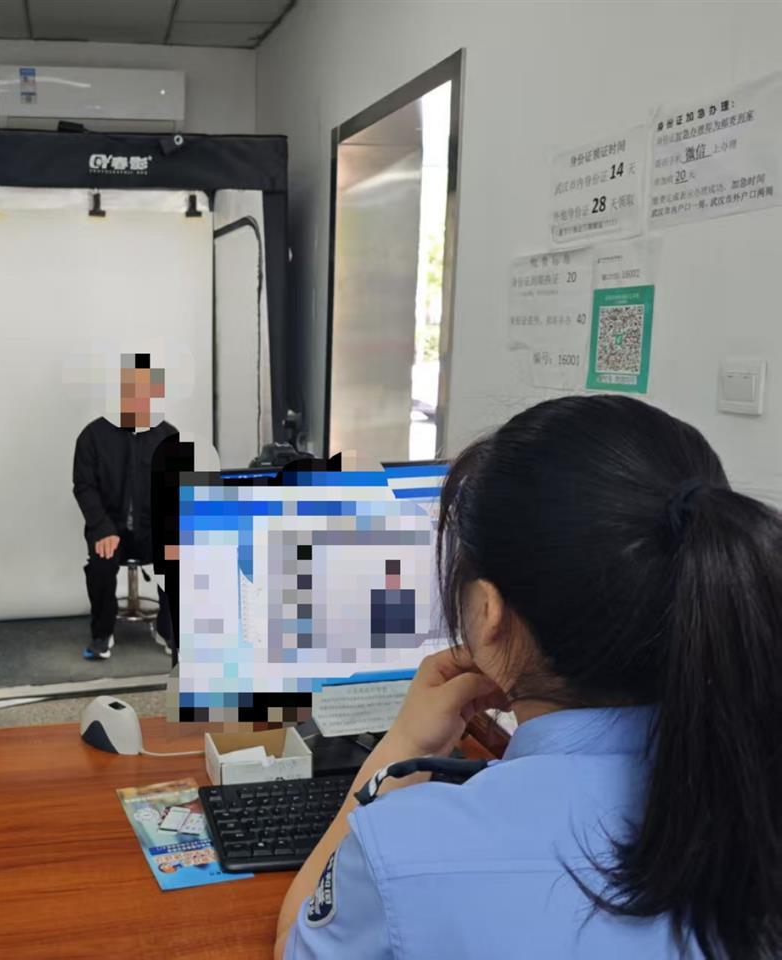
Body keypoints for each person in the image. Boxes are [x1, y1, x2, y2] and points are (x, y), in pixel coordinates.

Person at [276, 394, 781, 960]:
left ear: (488, 613)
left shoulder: (401, 850)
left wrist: (405, 746)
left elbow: (296, 943)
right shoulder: (754, 796)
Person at [72, 354, 177, 660]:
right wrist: (101, 527)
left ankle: (169, 630)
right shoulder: (92, 436)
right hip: (109, 527)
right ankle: (102, 633)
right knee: (101, 563)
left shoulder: (169, 436)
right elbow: (84, 486)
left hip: (152, 528)